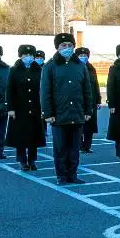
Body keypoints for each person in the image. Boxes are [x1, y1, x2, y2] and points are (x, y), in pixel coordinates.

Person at [41, 33, 93, 185]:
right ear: (57, 47)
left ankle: (73, 174)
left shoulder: (80, 66)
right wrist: (48, 113)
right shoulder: (50, 66)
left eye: (70, 45)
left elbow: (87, 90)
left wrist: (88, 111)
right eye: (63, 45)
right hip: (58, 115)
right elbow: (45, 92)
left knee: (74, 148)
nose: (67, 48)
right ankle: (62, 176)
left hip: (77, 113)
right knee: (60, 148)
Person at [6, 45, 46, 171]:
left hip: (36, 107)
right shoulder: (14, 70)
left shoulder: (39, 70)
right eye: (25, 55)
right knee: (21, 135)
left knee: (34, 135)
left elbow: (44, 90)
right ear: (20, 56)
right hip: (19, 108)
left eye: (30, 55)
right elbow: (9, 90)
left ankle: (32, 160)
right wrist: (11, 108)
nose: (28, 57)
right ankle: (23, 160)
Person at [75, 48, 101, 154]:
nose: (83, 57)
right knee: (79, 124)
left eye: (85, 55)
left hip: (91, 100)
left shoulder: (91, 68)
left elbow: (96, 84)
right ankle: (79, 145)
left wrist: (98, 99)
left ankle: (87, 145)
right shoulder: (74, 68)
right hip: (78, 100)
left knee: (90, 124)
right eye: (80, 55)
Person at [35, 50, 49, 140]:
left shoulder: (46, 68)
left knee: (43, 114)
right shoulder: (32, 67)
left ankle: (44, 130)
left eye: (41, 58)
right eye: (37, 58)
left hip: (43, 93)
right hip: (34, 93)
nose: (39, 59)